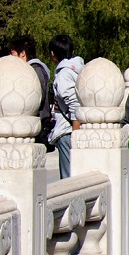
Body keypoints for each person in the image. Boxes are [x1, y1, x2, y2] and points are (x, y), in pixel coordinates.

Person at [48, 34, 84, 179]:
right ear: (73, 51)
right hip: (78, 129)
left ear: (53, 54)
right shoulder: (81, 69)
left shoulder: (64, 74)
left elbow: (74, 105)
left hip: (68, 131)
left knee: (69, 178)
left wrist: (76, 137)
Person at [10, 34, 53, 146]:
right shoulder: (30, 69)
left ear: (22, 53)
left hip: (37, 124)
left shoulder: (35, 70)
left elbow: (38, 97)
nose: (11, 56)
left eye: (12, 52)